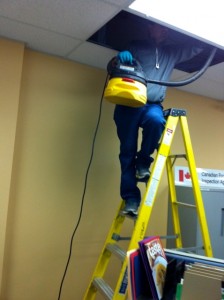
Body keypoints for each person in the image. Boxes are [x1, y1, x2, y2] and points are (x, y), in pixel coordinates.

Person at [114, 23, 203, 216]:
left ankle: (144, 161)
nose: (165, 31)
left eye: (166, 29)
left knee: (156, 121)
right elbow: (116, 67)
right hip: (128, 104)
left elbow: (192, 50)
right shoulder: (136, 46)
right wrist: (120, 56)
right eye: (160, 27)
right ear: (149, 29)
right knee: (127, 152)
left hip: (152, 104)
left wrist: (207, 36)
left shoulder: (171, 52)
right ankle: (130, 199)